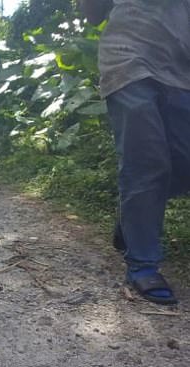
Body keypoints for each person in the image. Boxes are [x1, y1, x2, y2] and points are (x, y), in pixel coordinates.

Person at [81, 0, 190, 305]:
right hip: (129, 60)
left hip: (181, 71)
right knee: (146, 162)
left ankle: (131, 220)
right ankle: (143, 264)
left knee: (183, 162)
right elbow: (92, 14)